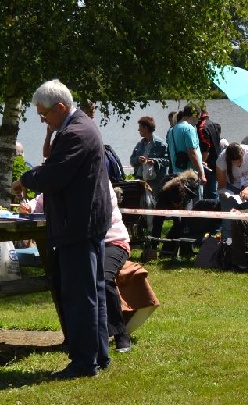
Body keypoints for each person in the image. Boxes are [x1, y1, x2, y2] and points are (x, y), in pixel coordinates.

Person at [11, 79, 113, 379]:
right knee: (91, 291)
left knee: (79, 295)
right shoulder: (79, 126)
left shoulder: (74, 132)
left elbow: (55, 174)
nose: (42, 119)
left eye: (44, 113)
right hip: (86, 221)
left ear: (60, 107)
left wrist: (25, 179)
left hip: (78, 223)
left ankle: (84, 362)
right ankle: (99, 356)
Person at [21, 187, 132, 352]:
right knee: (58, 277)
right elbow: (38, 204)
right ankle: (72, 336)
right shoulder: (61, 177)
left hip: (111, 241)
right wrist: (27, 207)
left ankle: (121, 334)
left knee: (103, 278)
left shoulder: (97, 178)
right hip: (76, 242)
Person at [216, 142, 248, 237]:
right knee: (228, 220)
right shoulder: (221, 159)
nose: (238, 164)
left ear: (243, 154)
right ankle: (227, 244)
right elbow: (221, 185)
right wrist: (223, 193)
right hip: (231, 187)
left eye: (239, 161)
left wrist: (247, 189)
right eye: (234, 162)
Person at [167, 106, 205, 191]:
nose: (197, 122)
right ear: (195, 115)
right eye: (198, 118)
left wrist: (199, 161)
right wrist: (201, 173)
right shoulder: (189, 129)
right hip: (191, 176)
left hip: (177, 174)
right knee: (195, 203)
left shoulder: (171, 130)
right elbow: (192, 153)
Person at [129, 115, 169, 194]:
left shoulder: (161, 145)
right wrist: (138, 159)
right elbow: (131, 160)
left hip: (155, 184)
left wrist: (155, 161)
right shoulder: (139, 144)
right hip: (141, 182)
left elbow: (168, 161)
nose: (138, 130)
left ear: (146, 128)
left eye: (140, 127)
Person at [197, 108, 222, 200]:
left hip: (208, 164)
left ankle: (214, 211)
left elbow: (205, 149)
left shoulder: (202, 127)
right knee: (215, 190)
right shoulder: (216, 125)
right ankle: (218, 209)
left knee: (210, 192)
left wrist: (200, 163)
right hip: (218, 160)